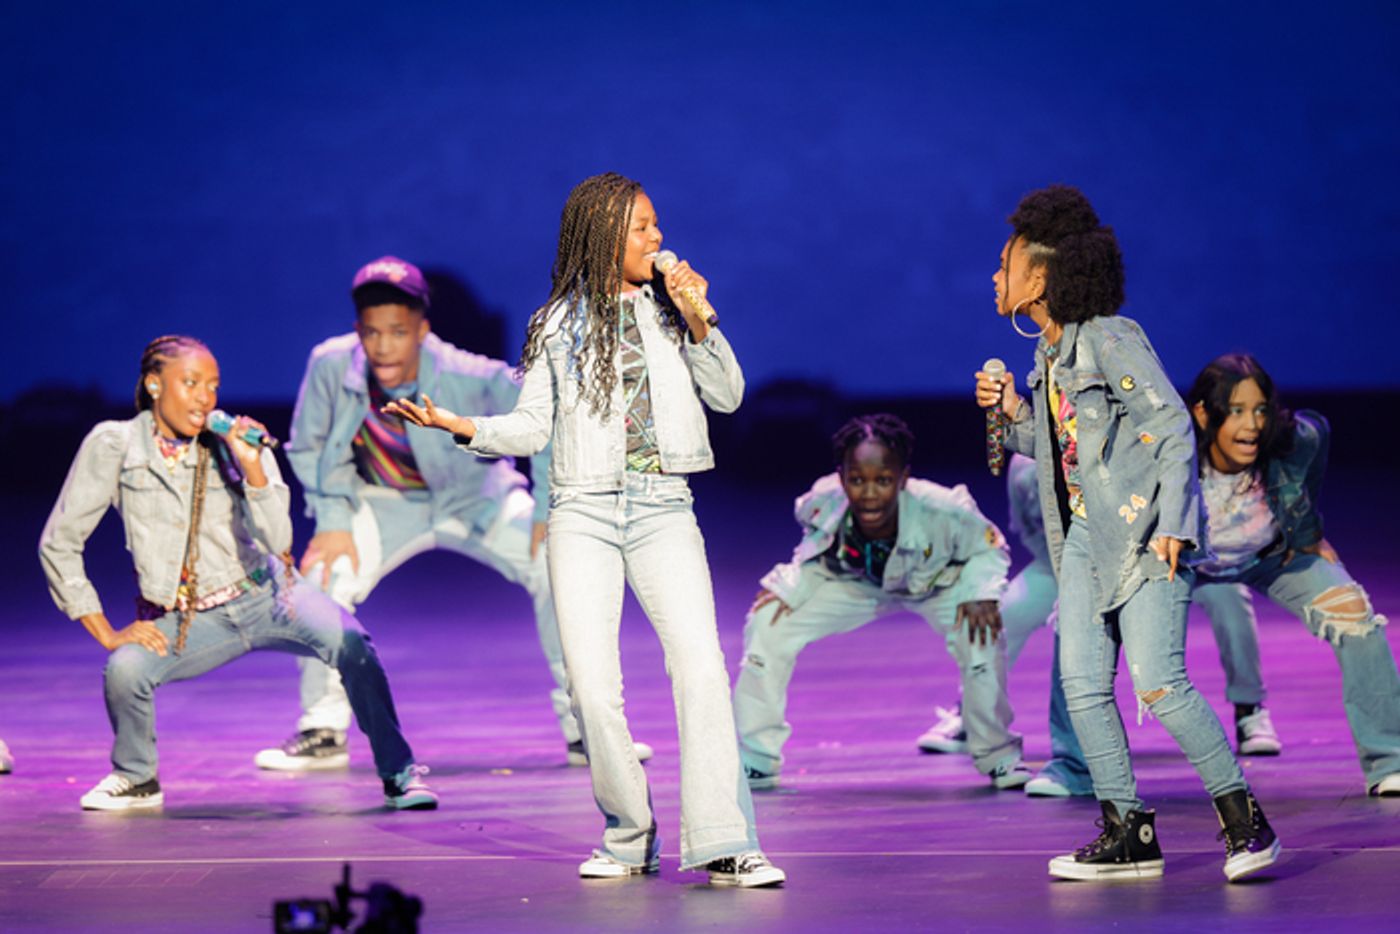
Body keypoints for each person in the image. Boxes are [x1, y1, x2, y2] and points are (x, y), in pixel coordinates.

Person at [388, 173, 784, 887]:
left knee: (699, 666)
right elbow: (533, 426)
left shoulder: (671, 313)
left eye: (657, 225)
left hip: (663, 505)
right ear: (603, 236)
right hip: (583, 511)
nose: (656, 238)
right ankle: (630, 836)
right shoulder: (556, 323)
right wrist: (462, 425)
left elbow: (727, 396)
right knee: (594, 689)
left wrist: (700, 319)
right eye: (641, 228)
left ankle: (725, 839)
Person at [977, 185, 1277, 882]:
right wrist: (1015, 412)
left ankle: (1246, 825)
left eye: (1005, 263)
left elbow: (1172, 424)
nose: (995, 276)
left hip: (1144, 534)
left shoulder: (1111, 336)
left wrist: (1175, 523)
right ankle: (1127, 831)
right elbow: (1059, 450)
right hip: (1084, 538)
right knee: (1083, 684)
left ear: (1041, 277)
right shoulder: (1051, 355)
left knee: (1160, 684)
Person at [254, 256, 647, 771]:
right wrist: (332, 519)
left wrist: (550, 507)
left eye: (398, 331)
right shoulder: (331, 366)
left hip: (475, 497)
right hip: (381, 501)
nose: (383, 345)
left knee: (561, 564)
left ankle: (586, 729)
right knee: (321, 579)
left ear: (422, 329)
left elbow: (549, 411)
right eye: (371, 332)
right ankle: (322, 728)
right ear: (357, 331)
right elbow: (306, 445)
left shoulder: (469, 375)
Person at [38, 335, 436, 812]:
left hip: (267, 595)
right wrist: (104, 630)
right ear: (153, 384)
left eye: (213, 386)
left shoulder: (232, 447)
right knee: (125, 670)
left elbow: (279, 542)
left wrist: (255, 471)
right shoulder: (115, 445)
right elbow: (60, 542)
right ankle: (137, 776)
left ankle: (399, 773)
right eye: (191, 383)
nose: (206, 397)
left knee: (352, 643)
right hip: (189, 619)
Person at [918, 454, 1262, 796]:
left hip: (1152, 556)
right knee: (1004, 613)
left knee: (1228, 594)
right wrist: (1069, 574)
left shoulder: (1124, 437)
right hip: (1066, 564)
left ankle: (1250, 709)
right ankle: (972, 717)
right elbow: (1027, 525)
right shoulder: (1024, 465)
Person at [734, 414, 1030, 791]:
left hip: (938, 583)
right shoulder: (820, 500)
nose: (869, 493)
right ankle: (758, 759)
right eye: (857, 480)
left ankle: (998, 756)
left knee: (982, 635)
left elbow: (990, 549)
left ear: (903, 478)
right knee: (767, 623)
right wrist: (788, 586)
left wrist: (980, 594)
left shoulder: (944, 508)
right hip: (857, 584)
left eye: (883, 481)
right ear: (841, 478)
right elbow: (814, 546)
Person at [1186, 353, 1400, 797]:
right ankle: (1074, 765)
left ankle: (1389, 760)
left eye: (1260, 410)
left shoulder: (1291, 440)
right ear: (1204, 413)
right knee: (1094, 625)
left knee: (1356, 618)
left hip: (1271, 555)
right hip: (1186, 565)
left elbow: (1317, 432)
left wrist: (1306, 528)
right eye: (1237, 411)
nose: (1252, 425)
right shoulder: (1175, 451)